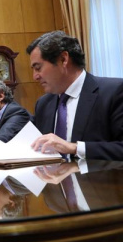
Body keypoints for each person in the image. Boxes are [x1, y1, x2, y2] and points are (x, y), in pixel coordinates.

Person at [28, 31, 123, 160]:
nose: (35, 76)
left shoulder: (114, 92)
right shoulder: (43, 104)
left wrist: (74, 148)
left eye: (38, 68)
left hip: (102, 179)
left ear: (63, 59)